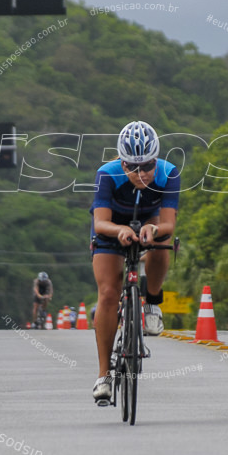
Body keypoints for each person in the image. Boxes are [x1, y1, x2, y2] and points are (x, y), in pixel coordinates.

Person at [91, 121, 179, 405]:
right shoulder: (107, 174)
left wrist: (153, 231)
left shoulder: (168, 173)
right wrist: (119, 230)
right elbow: (100, 221)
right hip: (112, 227)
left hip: (150, 221)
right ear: (121, 161)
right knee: (107, 294)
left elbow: (168, 223)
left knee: (161, 244)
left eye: (147, 166)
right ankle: (104, 375)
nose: (140, 174)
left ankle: (152, 300)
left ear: (157, 159)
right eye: (132, 167)